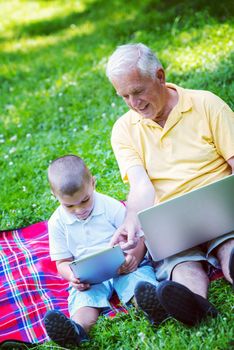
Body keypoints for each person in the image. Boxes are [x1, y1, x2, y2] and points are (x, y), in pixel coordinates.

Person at [106, 43, 234, 326]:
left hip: (220, 208)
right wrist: (131, 220)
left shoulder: (206, 104)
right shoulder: (124, 129)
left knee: (230, 245)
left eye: (138, 91)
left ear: (160, 76)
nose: (133, 103)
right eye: (124, 96)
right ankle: (195, 304)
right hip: (171, 222)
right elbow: (140, 185)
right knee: (179, 263)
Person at [43, 154, 163, 348]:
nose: (78, 209)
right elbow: (62, 262)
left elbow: (137, 236)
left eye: (84, 200)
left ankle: (154, 309)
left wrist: (134, 258)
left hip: (123, 265)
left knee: (138, 283)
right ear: (54, 196)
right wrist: (72, 276)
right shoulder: (57, 223)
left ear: (93, 183)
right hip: (89, 276)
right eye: (69, 205)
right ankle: (77, 330)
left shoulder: (110, 206)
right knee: (84, 301)